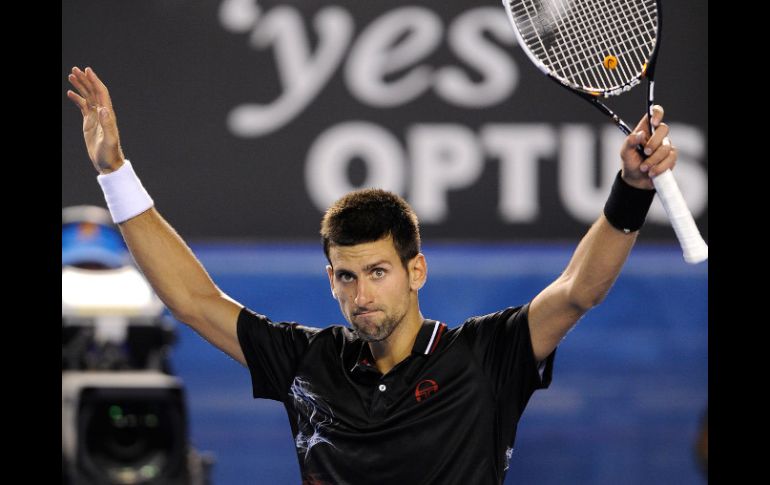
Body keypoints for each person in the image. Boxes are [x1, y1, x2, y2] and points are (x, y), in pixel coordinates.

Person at [66, 66, 677, 484]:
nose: (361, 295)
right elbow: (194, 300)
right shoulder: (307, 361)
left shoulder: (485, 356)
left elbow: (579, 291)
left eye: (378, 272)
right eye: (346, 277)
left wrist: (631, 190)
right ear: (330, 279)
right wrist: (114, 171)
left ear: (417, 270)